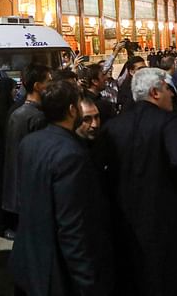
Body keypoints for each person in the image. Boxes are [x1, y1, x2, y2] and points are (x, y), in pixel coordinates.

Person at [98, 68, 177, 295]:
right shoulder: (168, 123)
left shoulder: (114, 125)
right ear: (155, 92)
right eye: (168, 89)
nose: (173, 95)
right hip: (162, 221)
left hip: (123, 219)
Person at [10, 81, 114, 296]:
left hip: (28, 258)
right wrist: (87, 282)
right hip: (53, 270)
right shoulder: (71, 155)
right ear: (71, 110)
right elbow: (72, 226)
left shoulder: (30, 142)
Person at [2, 63, 52, 224]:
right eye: (49, 82)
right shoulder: (38, 117)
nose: (52, 86)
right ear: (37, 86)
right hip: (33, 189)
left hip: (19, 189)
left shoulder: (17, 112)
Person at [0, 77, 18, 238]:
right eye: (14, 89)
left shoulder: (2, 111)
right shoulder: (8, 114)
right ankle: (4, 226)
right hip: (4, 166)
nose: (16, 92)